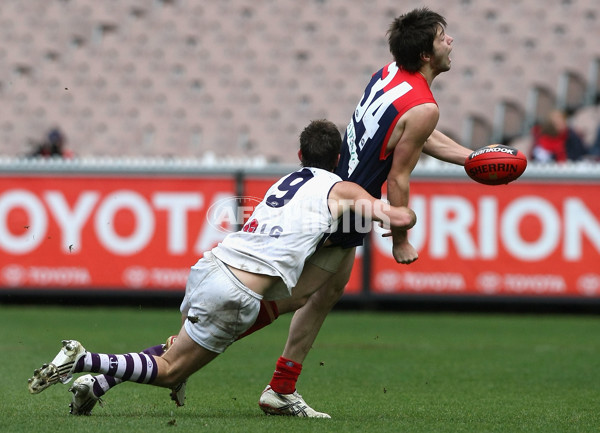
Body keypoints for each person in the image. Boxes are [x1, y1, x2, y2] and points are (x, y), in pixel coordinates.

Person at [27, 119, 417, 416]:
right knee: (169, 370)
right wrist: (404, 212)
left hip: (210, 266)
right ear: (337, 160)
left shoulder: (286, 181)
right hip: (237, 292)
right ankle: (82, 359)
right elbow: (395, 217)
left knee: (175, 352)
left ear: (300, 157)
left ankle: (95, 384)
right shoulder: (341, 187)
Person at [255, 7, 476, 417]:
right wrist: (402, 240)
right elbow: (397, 179)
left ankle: (280, 387)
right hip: (347, 206)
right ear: (426, 54)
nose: (450, 42)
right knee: (293, 296)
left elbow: (412, 133)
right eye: (443, 36)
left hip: (336, 187)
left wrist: (470, 158)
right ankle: (183, 352)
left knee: (321, 294)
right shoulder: (425, 106)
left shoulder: (391, 72)